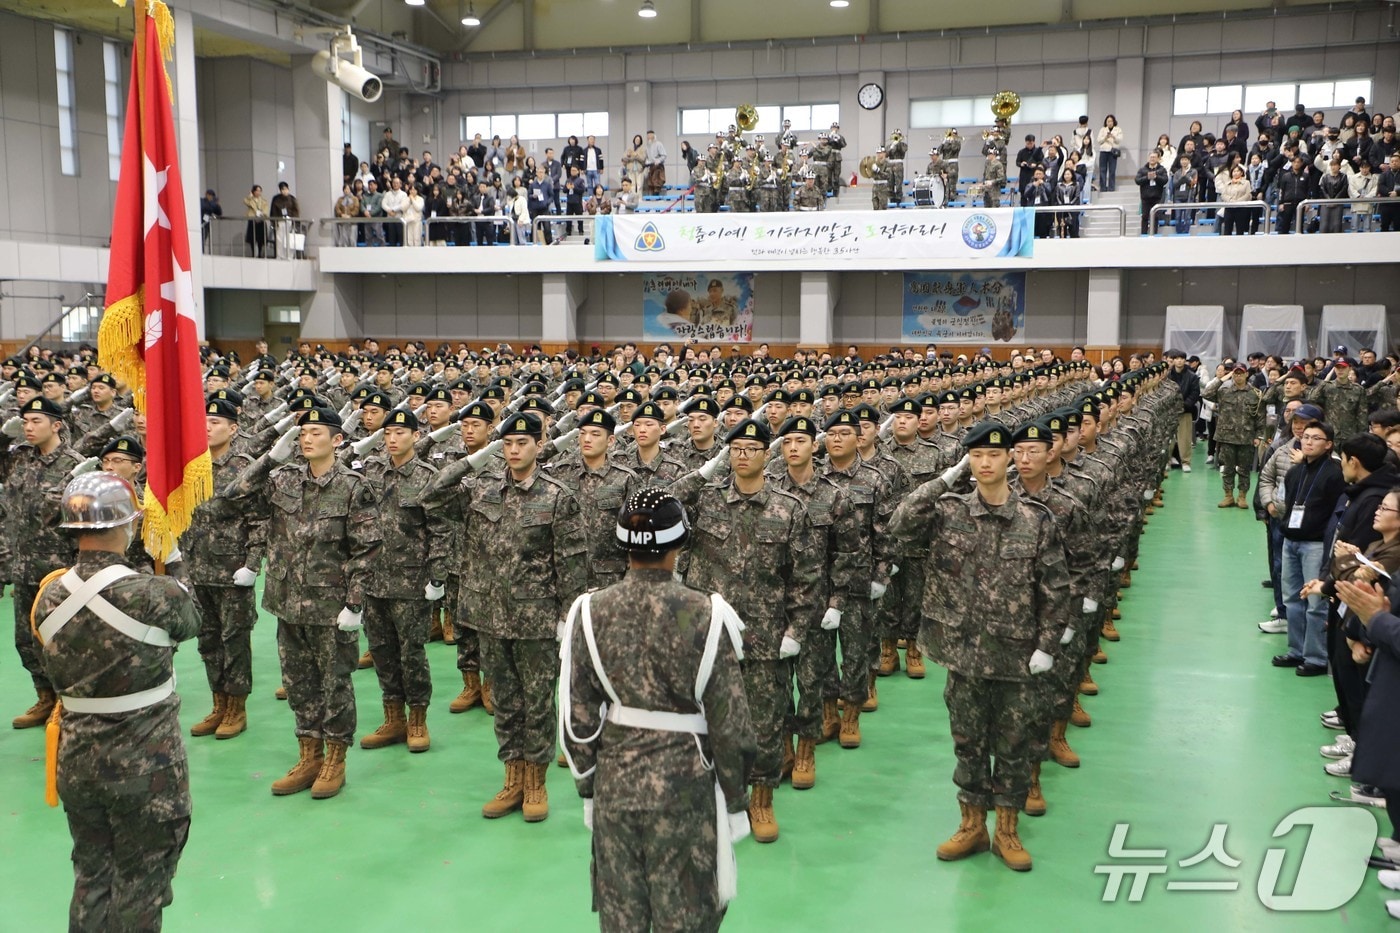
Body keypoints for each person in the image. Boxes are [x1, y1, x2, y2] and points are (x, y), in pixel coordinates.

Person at [560, 488, 756, 933]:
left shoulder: (590, 611)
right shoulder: (703, 614)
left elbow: (578, 717)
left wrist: (587, 786)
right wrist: (737, 800)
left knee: (623, 913)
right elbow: (731, 722)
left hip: (616, 783)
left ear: (622, 545)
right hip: (685, 786)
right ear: (679, 544)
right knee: (686, 912)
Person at [890, 421, 1069, 872]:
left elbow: (1055, 589)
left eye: (993, 455)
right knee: (967, 742)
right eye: (976, 456)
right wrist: (944, 480)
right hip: (963, 653)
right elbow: (899, 523)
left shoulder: (1036, 519)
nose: (985, 462)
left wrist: (1048, 644)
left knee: (1013, 743)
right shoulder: (948, 511)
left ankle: (1006, 829)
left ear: (1009, 458)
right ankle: (971, 824)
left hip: (1016, 655)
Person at [30, 472, 201, 932]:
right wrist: (173, 558)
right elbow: (191, 618)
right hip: (146, 767)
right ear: (130, 525)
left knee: (91, 875)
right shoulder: (150, 593)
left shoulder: (48, 596)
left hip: (77, 761)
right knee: (141, 882)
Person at [420, 411, 587, 821]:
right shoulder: (481, 489)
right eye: (507, 444)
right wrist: (473, 460)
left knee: (537, 703)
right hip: (491, 618)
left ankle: (535, 783)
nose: (513, 450)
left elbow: (571, 564)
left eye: (522, 443)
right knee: (507, 703)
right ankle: (511, 777)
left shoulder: (558, 496)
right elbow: (430, 496)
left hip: (536, 620)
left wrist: (567, 617)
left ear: (539, 444)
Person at [669, 419, 821, 843]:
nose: (742, 454)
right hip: (708, 634)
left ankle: (762, 799)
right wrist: (705, 470)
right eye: (734, 448)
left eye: (752, 448)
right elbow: (667, 501)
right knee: (705, 718)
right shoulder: (707, 501)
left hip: (764, 635)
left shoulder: (788, 509)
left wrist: (796, 630)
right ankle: (714, 797)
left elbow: (806, 577)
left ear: (766, 454)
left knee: (764, 724)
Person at [228, 407, 381, 798]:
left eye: (316, 432)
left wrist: (355, 603)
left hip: (330, 606)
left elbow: (366, 550)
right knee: (299, 685)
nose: (307, 439)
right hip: (286, 601)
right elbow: (236, 491)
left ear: (337, 439)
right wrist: (272, 456)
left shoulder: (353, 486)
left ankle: (334, 759)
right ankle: (308, 753)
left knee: (335, 685)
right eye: (302, 433)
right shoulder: (283, 479)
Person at [358, 409, 450, 754]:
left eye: (400, 432)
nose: (392, 439)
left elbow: (441, 528)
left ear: (415, 435)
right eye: (388, 433)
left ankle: (417, 719)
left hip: (411, 582)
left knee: (412, 653)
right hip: (374, 579)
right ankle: (393, 716)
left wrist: (437, 576)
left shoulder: (427, 476)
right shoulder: (371, 472)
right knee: (382, 651)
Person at [3, 396, 89, 728]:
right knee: (26, 639)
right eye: (24, 422)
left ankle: (70, 702)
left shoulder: (74, 465)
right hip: (23, 566)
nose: (28, 427)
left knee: (62, 639)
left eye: (36, 421)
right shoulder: (18, 460)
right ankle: (45, 697)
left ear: (56, 425)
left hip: (60, 568)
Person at [182, 398, 264, 740]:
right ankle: (218, 702)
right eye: (204, 421)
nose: (207, 427)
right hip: (197, 567)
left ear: (233, 428)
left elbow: (260, 521)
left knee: (234, 640)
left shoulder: (244, 468)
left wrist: (252, 565)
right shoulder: (189, 466)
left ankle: (236, 707)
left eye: (215, 422)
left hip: (232, 572)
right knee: (208, 641)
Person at [1276, 421, 1347, 676]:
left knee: (1315, 603)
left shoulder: (1334, 473)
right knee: (1292, 599)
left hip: (1315, 544)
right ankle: (1296, 651)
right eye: (1305, 437)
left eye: (1315, 438)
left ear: (1328, 445)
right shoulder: (1295, 472)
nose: (1308, 442)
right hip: (1291, 540)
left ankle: (1316, 657)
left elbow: (1337, 514)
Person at [1201, 363, 1263, 508]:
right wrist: (1221, 379)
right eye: (1235, 373)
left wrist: (1259, 435)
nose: (1238, 376)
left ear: (1247, 374)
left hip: (1246, 437)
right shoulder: (1224, 391)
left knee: (1244, 469)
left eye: (1241, 373)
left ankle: (1242, 497)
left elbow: (1260, 416)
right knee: (1227, 468)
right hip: (1226, 437)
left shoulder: (1255, 393)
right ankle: (1228, 496)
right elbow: (1206, 393)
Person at [1165, 349, 1200, 471]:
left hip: (1185, 411)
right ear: (1173, 361)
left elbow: (1195, 393)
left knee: (1185, 437)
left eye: (1182, 358)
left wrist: (1184, 405)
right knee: (1168, 437)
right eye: (1177, 358)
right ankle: (1166, 461)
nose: (1179, 361)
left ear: (1185, 361)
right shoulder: (1167, 375)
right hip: (1169, 411)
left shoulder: (1192, 376)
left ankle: (1186, 462)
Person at [1135, 150, 1169, 234]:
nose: (1152, 159)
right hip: (1145, 197)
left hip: (1157, 196)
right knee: (1145, 216)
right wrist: (1147, 177)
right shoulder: (1142, 170)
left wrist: (1156, 177)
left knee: (1155, 216)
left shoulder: (1162, 169)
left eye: (1154, 157)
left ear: (1158, 159)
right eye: (1151, 157)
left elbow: (1165, 180)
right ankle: (1143, 234)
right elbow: (1137, 180)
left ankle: (1154, 233)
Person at [1096, 115, 1123, 191]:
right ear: (1106, 122)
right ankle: (1103, 188)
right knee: (1102, 170)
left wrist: (1113, 136)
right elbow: (1098, 141)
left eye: (1111, 121)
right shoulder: (1102, 129)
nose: (1110, 123)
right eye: (1108, 121)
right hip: (1103, 151)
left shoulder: (1118, 129)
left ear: (1114, 121)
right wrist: (1105, 137)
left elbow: (1119, 140)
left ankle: (1111, 188)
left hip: (1113, 151)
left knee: (1112, 170)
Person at [243, 184, 269, 257]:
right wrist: (250, 196)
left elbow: (266, 210)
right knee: (252, 238)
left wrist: (262, 215)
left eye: (260, 191)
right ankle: (253, 253)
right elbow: (245, 201)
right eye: (257, 190)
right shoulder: (250, 200)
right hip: (253, 219)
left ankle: (260, 253)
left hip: (261, 220)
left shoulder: (263, 201)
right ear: (253, 191)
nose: (258, 192)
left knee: (260, 238)